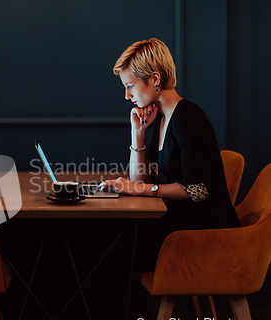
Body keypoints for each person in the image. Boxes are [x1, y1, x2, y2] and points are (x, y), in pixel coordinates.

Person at [100, 38, 240, 271]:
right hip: (180, 225)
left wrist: (136, 189)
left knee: (118, 244)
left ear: (155, 79)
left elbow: (198, 189)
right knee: (115, 239)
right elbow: (140, 181)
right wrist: (138, 135)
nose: (126, 95)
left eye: (130, 86)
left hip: (202, 234)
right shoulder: (164, 118)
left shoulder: (188, 118)